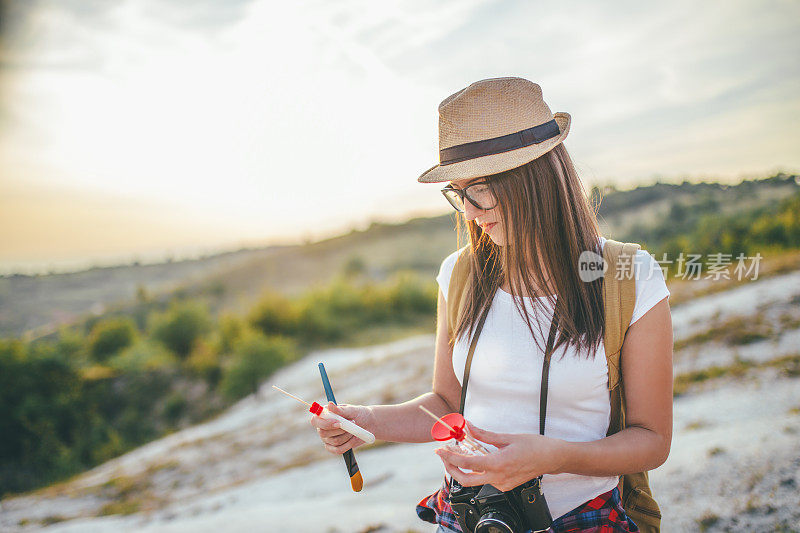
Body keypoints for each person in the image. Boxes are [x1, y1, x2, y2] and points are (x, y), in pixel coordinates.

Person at [310, 77, 673, 532]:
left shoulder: (629, 275)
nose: (468, 211)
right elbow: (446, 402)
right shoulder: (458, 274)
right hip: (471, 517)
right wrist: (365, 421)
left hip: (583, 519)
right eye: (457, 192)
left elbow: (652, 441)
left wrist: (556, 456)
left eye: (477, 188)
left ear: (535, 176)